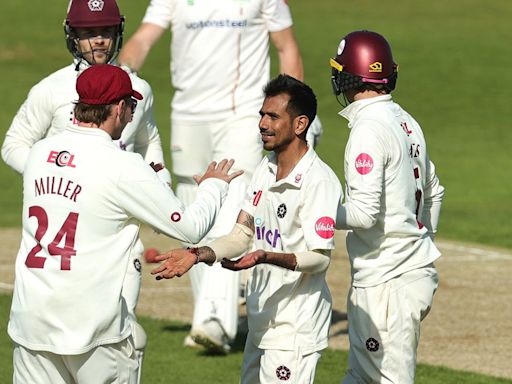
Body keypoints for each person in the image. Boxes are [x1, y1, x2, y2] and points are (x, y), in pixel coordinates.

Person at [8, 64, 241, 384]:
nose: (132, 115)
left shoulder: (38, 153)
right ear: (117, 108)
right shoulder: (122, 166)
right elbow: (190, 228)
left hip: (30, 322)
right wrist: (214, 186)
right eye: (131, 106)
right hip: (93, 329)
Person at [117, 0, 323, 353]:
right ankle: (208, 315)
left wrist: (297, 110)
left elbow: (286, 46)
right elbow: (144, 39)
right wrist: (119, 76)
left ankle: (213, 320)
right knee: (191, 207)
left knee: (232, 196)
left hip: (242, 113)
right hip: (188, 114)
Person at [1, 0, 167, 373]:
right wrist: (53, 177)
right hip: (70, 235)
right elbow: (14, 143)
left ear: (118, 32)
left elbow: (149, 144)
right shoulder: (52, 89)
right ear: (72, 36)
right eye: (89, 33)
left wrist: (161, 188)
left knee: (127, 337)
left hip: (120, 233)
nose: (99, 42)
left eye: (105, 32)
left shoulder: (137, 89)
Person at [152, 74, 342, 383]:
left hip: (294, 326)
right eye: (261, 115)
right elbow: (242, 234)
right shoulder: (265, 170)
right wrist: (198, 254)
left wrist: (267, 256)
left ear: (300, 124)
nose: (263, 124)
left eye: (273, 116)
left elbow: (319, 258)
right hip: (262, 319)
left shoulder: (319, 181)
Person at [329, 30, 445, 383]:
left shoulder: (367, 129)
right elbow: (435, 191)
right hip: (409, 274)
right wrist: (419, 241)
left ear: (347, 75)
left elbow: (364, 214)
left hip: (386, 283)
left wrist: (316, 210)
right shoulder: (407, 121)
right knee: (360, 377)